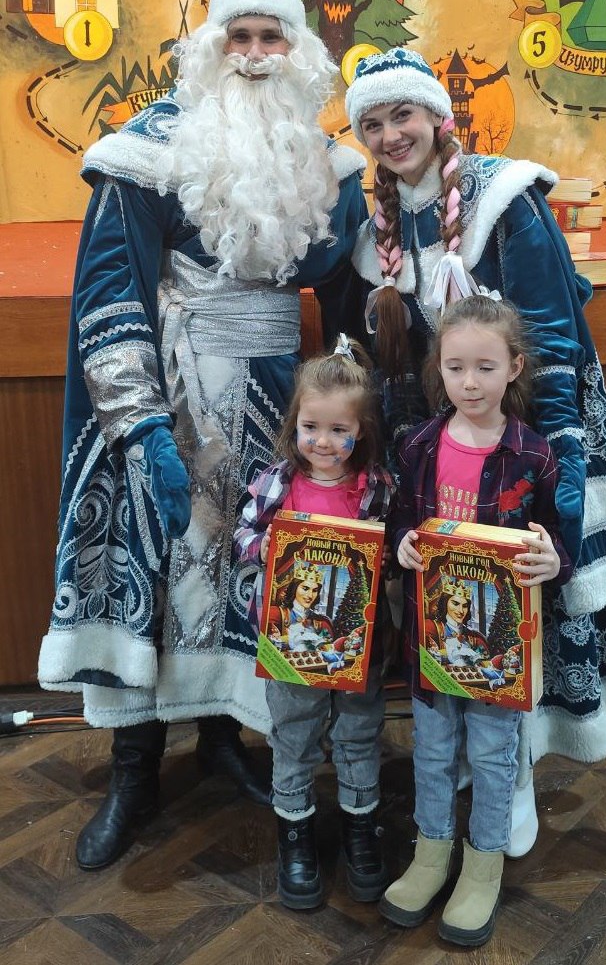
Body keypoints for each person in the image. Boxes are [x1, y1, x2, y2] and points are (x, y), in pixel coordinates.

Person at [36, 0, 368, 871]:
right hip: (171, 402)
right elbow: (109, 291)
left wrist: (352, 402)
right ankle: (134, 768)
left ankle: (225, 733)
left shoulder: (326, 164)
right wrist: (141, 428)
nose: (255, 54)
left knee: (250, 573)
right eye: (240, 36)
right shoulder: (146, 153)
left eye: (271, 37)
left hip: (282, 412)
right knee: (159, 568)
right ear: (212, 45)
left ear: (297, 51)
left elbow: (348, 299)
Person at [343, 46, 606, 857]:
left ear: (436, 116)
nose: (390, 135)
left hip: (520, 454)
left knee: (524, 607)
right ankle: (467, 773)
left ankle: (514, 776)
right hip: (442, 463)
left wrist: (562, 473)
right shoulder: (378, 231)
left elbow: (552, 340)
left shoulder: (504, 197)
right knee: (461, 615)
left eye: (402, 115)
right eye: (373, 124)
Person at [384, 292, 572, 947]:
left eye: (485, 367)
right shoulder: (418, 447)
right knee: (433, 751)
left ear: (514, 367)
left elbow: (557, 541)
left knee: (493, 755)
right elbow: (399, 523)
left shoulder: (532, 454)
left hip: (498, 650)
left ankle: (482, 864)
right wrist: (402, 546)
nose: (469, 382)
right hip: (430, 639)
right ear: (437, 367)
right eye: (456, 366)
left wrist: (552, 560)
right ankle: (431, 853)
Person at [234, 335, 395, 910]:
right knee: (294, 734)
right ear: (295, 424)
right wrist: (265, 546)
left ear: (361, 432)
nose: (323, 442)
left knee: (358, 733)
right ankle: (295, 834)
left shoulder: (377, 490)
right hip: (289, 641)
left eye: (338, 430)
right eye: (311, 427)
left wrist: (387, 559)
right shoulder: (277, 483)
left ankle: (360, 827)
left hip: (359, 642)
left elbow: (396, 551)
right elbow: (243, 534)